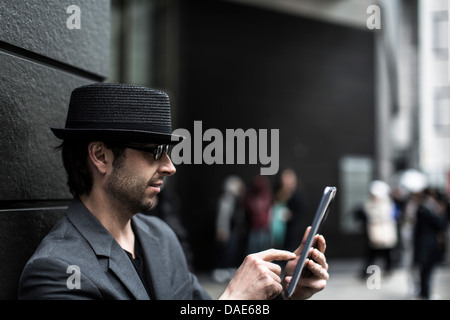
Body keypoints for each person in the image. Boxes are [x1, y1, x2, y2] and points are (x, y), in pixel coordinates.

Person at [18, 83, 329, 300]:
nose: (169, 166)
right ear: (101, 156)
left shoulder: (161, 238)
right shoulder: (58, 271)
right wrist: (233, 296)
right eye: (154, 151)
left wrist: (287, 293)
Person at [356, 180, 398, 278]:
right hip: (373, 233)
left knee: (387, 253)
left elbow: (385, 216)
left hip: (385, 233)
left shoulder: (387, 203)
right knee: (371, 254)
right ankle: (366, 272)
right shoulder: (369, 203)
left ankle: (388, 269)